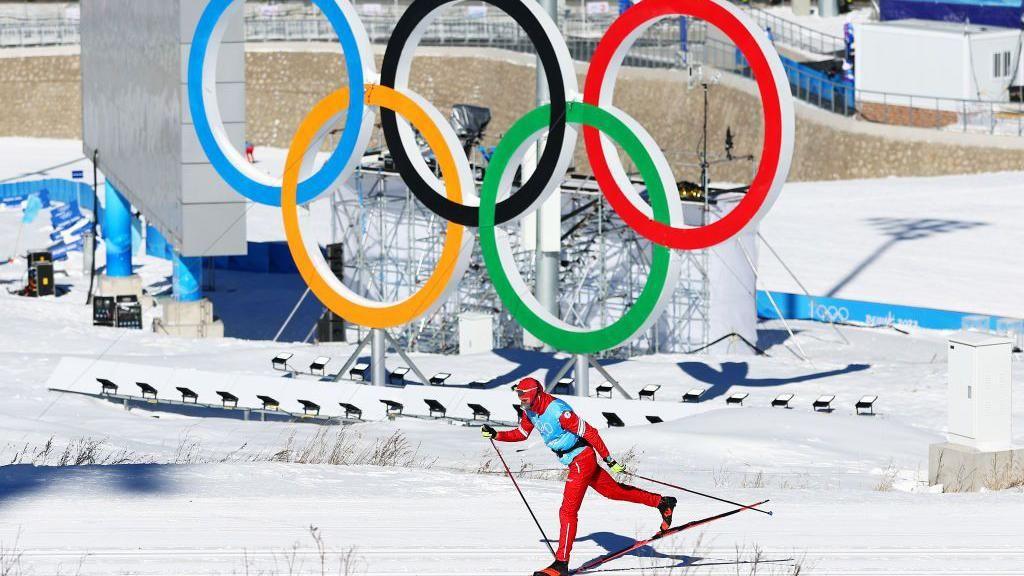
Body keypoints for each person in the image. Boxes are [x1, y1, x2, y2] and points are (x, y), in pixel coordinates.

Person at [482, 377, 676, 576]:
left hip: (582, 460)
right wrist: (497, 435)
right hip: (575, 460)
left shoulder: (559, 411)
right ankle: (662, 503)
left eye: (523, 395)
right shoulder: (530, 411)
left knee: (567, 512)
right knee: (614, 491)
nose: (520, 399)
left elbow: (590, 432)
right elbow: (521, 434)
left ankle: (561, 563)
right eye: (519, 395)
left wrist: (609, 460)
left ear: (535, 393)